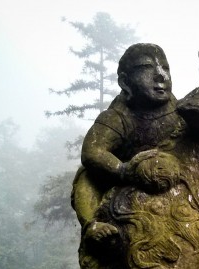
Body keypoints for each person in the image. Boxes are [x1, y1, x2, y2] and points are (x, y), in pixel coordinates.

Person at [72, 43, 185, 242]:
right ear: (125, 82)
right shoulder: (118, 115)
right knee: (86, 176)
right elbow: (92, 151)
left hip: (172, 178)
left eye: (165, 68)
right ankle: (92, 224)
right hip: (125, 177)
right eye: (146, 68)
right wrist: (124, 170)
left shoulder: (180, 112)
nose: (160, 75)